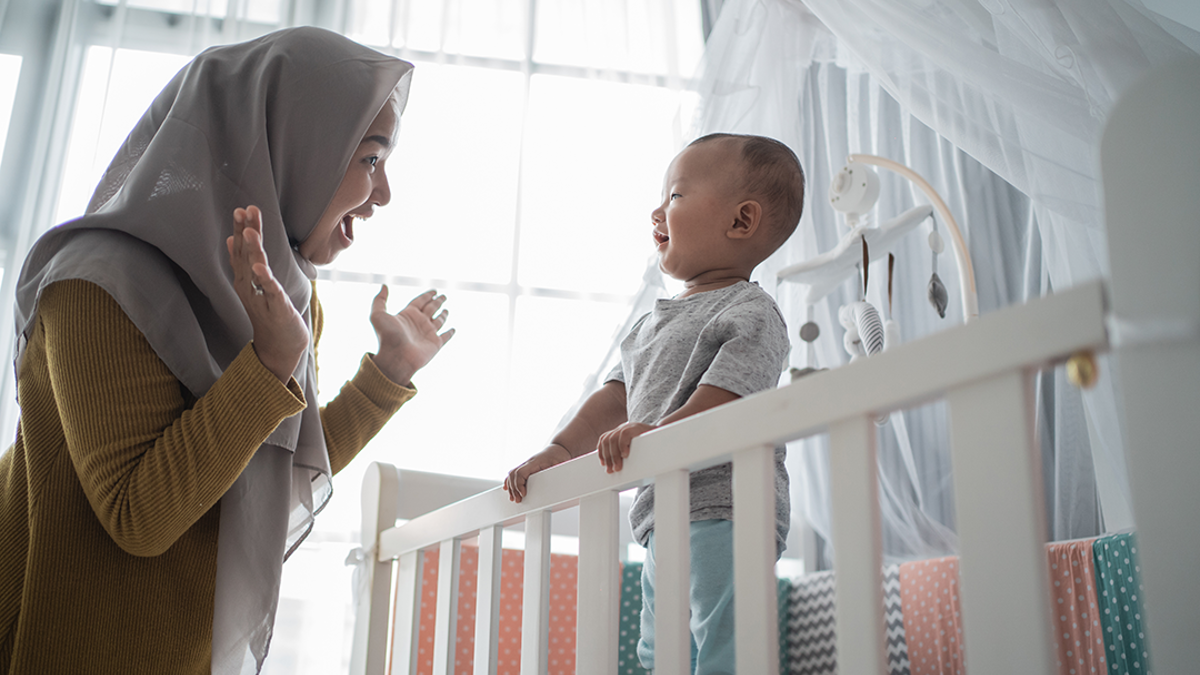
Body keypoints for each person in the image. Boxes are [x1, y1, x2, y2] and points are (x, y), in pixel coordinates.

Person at [0, 27, 454, 674]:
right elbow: (138, 516)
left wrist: (389, 372)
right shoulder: (93, 285)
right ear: (296, 148)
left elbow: (273, 457)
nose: (382, 195)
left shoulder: (284, 297)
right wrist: (269, 363)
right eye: (372, 160)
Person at [504, 132, 804, 674]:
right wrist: (558, 450)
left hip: (728, 507)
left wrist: (660, 433)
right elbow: (616, 397)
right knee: (660, 649)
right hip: (661, 515)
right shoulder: (654, 321)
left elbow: (729, 397)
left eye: (676, 196)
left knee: (724, 643)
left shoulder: (751, 312)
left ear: (740, 222)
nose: (657, 210)